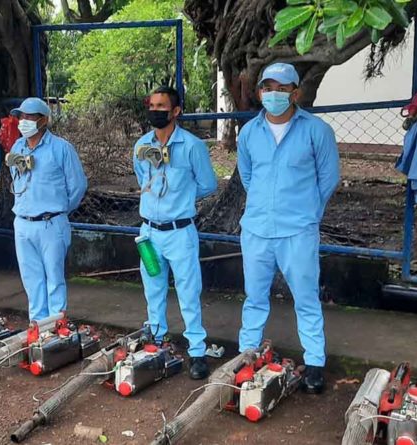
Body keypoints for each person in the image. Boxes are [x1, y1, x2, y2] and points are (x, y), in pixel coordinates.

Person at [236, 63, 340, 394]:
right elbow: (248, 176)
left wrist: (308, 212)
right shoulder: (249, 133)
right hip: (256, 229)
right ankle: (246, 356)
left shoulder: (316, 131)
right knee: (254, 298)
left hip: (298, 231)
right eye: (268, 87)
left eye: (282, 88)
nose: (274, 94)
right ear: (259, 92)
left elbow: (328, 179)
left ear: (295, 93)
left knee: (306, 298)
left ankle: (314, 363)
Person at [133, 86, 218, 380]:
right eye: (152, 104)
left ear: (176, 111)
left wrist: (181, 197)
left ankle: (196, 351)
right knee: (153, 289)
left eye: (162, 105)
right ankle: (157, 344)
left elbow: (208, 184)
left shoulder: (192, 146)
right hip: (149, 233)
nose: (155, 110)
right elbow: (142, 177)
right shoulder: (142, 145)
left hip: (180, 233)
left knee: (188, 293)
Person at [8, 97, 87, 321]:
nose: (23, 121)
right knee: (31, 278)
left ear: (43, 121)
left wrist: (60, 210)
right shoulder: (17, 147)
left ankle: (55, 324)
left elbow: (78, 185)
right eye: (21, 117)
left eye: (29, 117)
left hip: (51, 222)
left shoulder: (61, 148)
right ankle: (37, 322)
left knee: (54, 277)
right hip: (23, 221)